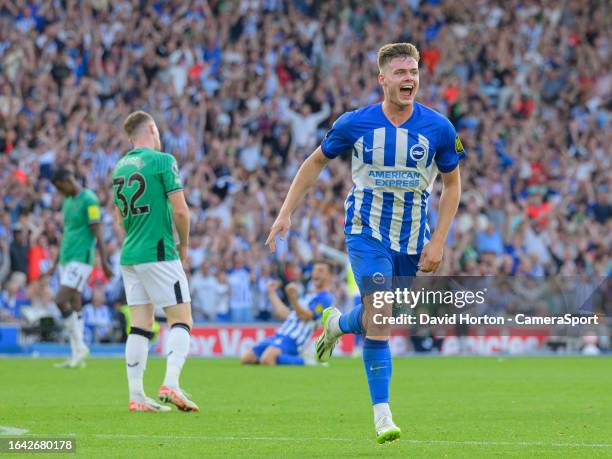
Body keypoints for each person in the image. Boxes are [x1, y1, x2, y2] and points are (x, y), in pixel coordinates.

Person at [266, 43, 465, 443]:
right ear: (382, 79)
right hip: (365, 231)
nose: (409, 79)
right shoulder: (356, 124)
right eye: (400, 73)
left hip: (412, 239)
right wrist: (285, 211)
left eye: (413, 72)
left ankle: (336, 324)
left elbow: (452, 183)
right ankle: (382, 415)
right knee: (380, 310)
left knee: (380, 314)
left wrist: (439, 240)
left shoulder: (439, 128)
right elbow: (315, 162)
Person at [112, 110, 198, 413]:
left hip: (130, 254)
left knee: (140, 325)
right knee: (181, 319)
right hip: (159, 251)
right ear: (151, 128)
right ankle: (171, 384)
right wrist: (184, 244)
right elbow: (181, 211)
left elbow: (119, 217)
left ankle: (136, 396)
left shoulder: (119, 167)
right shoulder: (163, 161)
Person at [51, 168, 112, 368]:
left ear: (69, 180)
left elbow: (98, 232)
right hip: (66, 257)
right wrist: (55, 263)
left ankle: (80, 346)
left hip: (81, 258)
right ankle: (76, 353)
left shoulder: (90, 199)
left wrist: (104, 261)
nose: (61, 192)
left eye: (61, 188)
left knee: (60, 300)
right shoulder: (67, 202)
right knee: (75, 302)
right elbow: (67, 232)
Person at [240, 261, 334, 366]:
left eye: (320, 271)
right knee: (246, 359)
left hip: (294, 339)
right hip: (280, 334)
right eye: (314, 270)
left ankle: (306, 361)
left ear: (329, 276)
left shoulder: (325, 298)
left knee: (266, 360)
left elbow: (306, 315)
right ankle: (293, 358)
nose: (316, 273)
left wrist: (292, 298)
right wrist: (271, 292)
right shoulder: (308, 295)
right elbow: (285, 314)